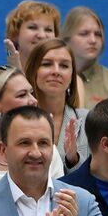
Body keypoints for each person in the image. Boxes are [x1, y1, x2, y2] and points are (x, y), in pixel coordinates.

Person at [25, 38, 88, 169]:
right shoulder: (15, 120)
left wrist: (73, 160)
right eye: (47, 64)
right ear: (33, 70)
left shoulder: (88, 120)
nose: (56, 71)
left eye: (64, 66)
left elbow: (96, 177)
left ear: (72, 75)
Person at [63, 7, 108, 105]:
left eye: (98, 34)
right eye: (84, 34)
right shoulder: (54, 76)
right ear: (66, 39)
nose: (93, 40)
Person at [4, 0, 59, 67]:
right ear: (15, 34)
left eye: (48, 30)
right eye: (33, 28)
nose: (42, 35)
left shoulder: (66, 76)